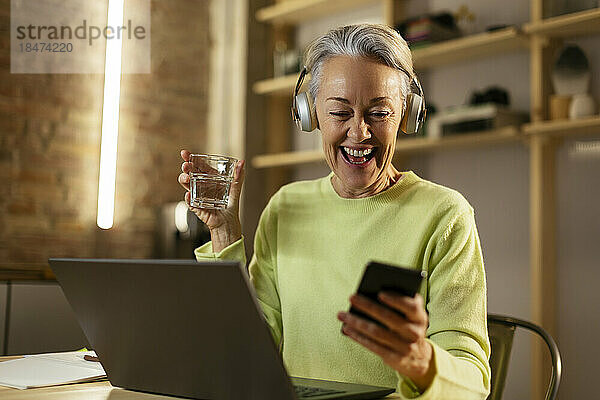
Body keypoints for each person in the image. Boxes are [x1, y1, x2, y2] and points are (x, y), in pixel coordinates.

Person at [178, 24, 490, 399]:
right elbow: (245, 350)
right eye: (340, 113)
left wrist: (421, 361)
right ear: (309, 115)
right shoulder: (285, 207)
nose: (359, 133)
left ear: (406, 115)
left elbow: (472, 385)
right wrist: (224, 232)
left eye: (379, 113)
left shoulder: (445, 215)